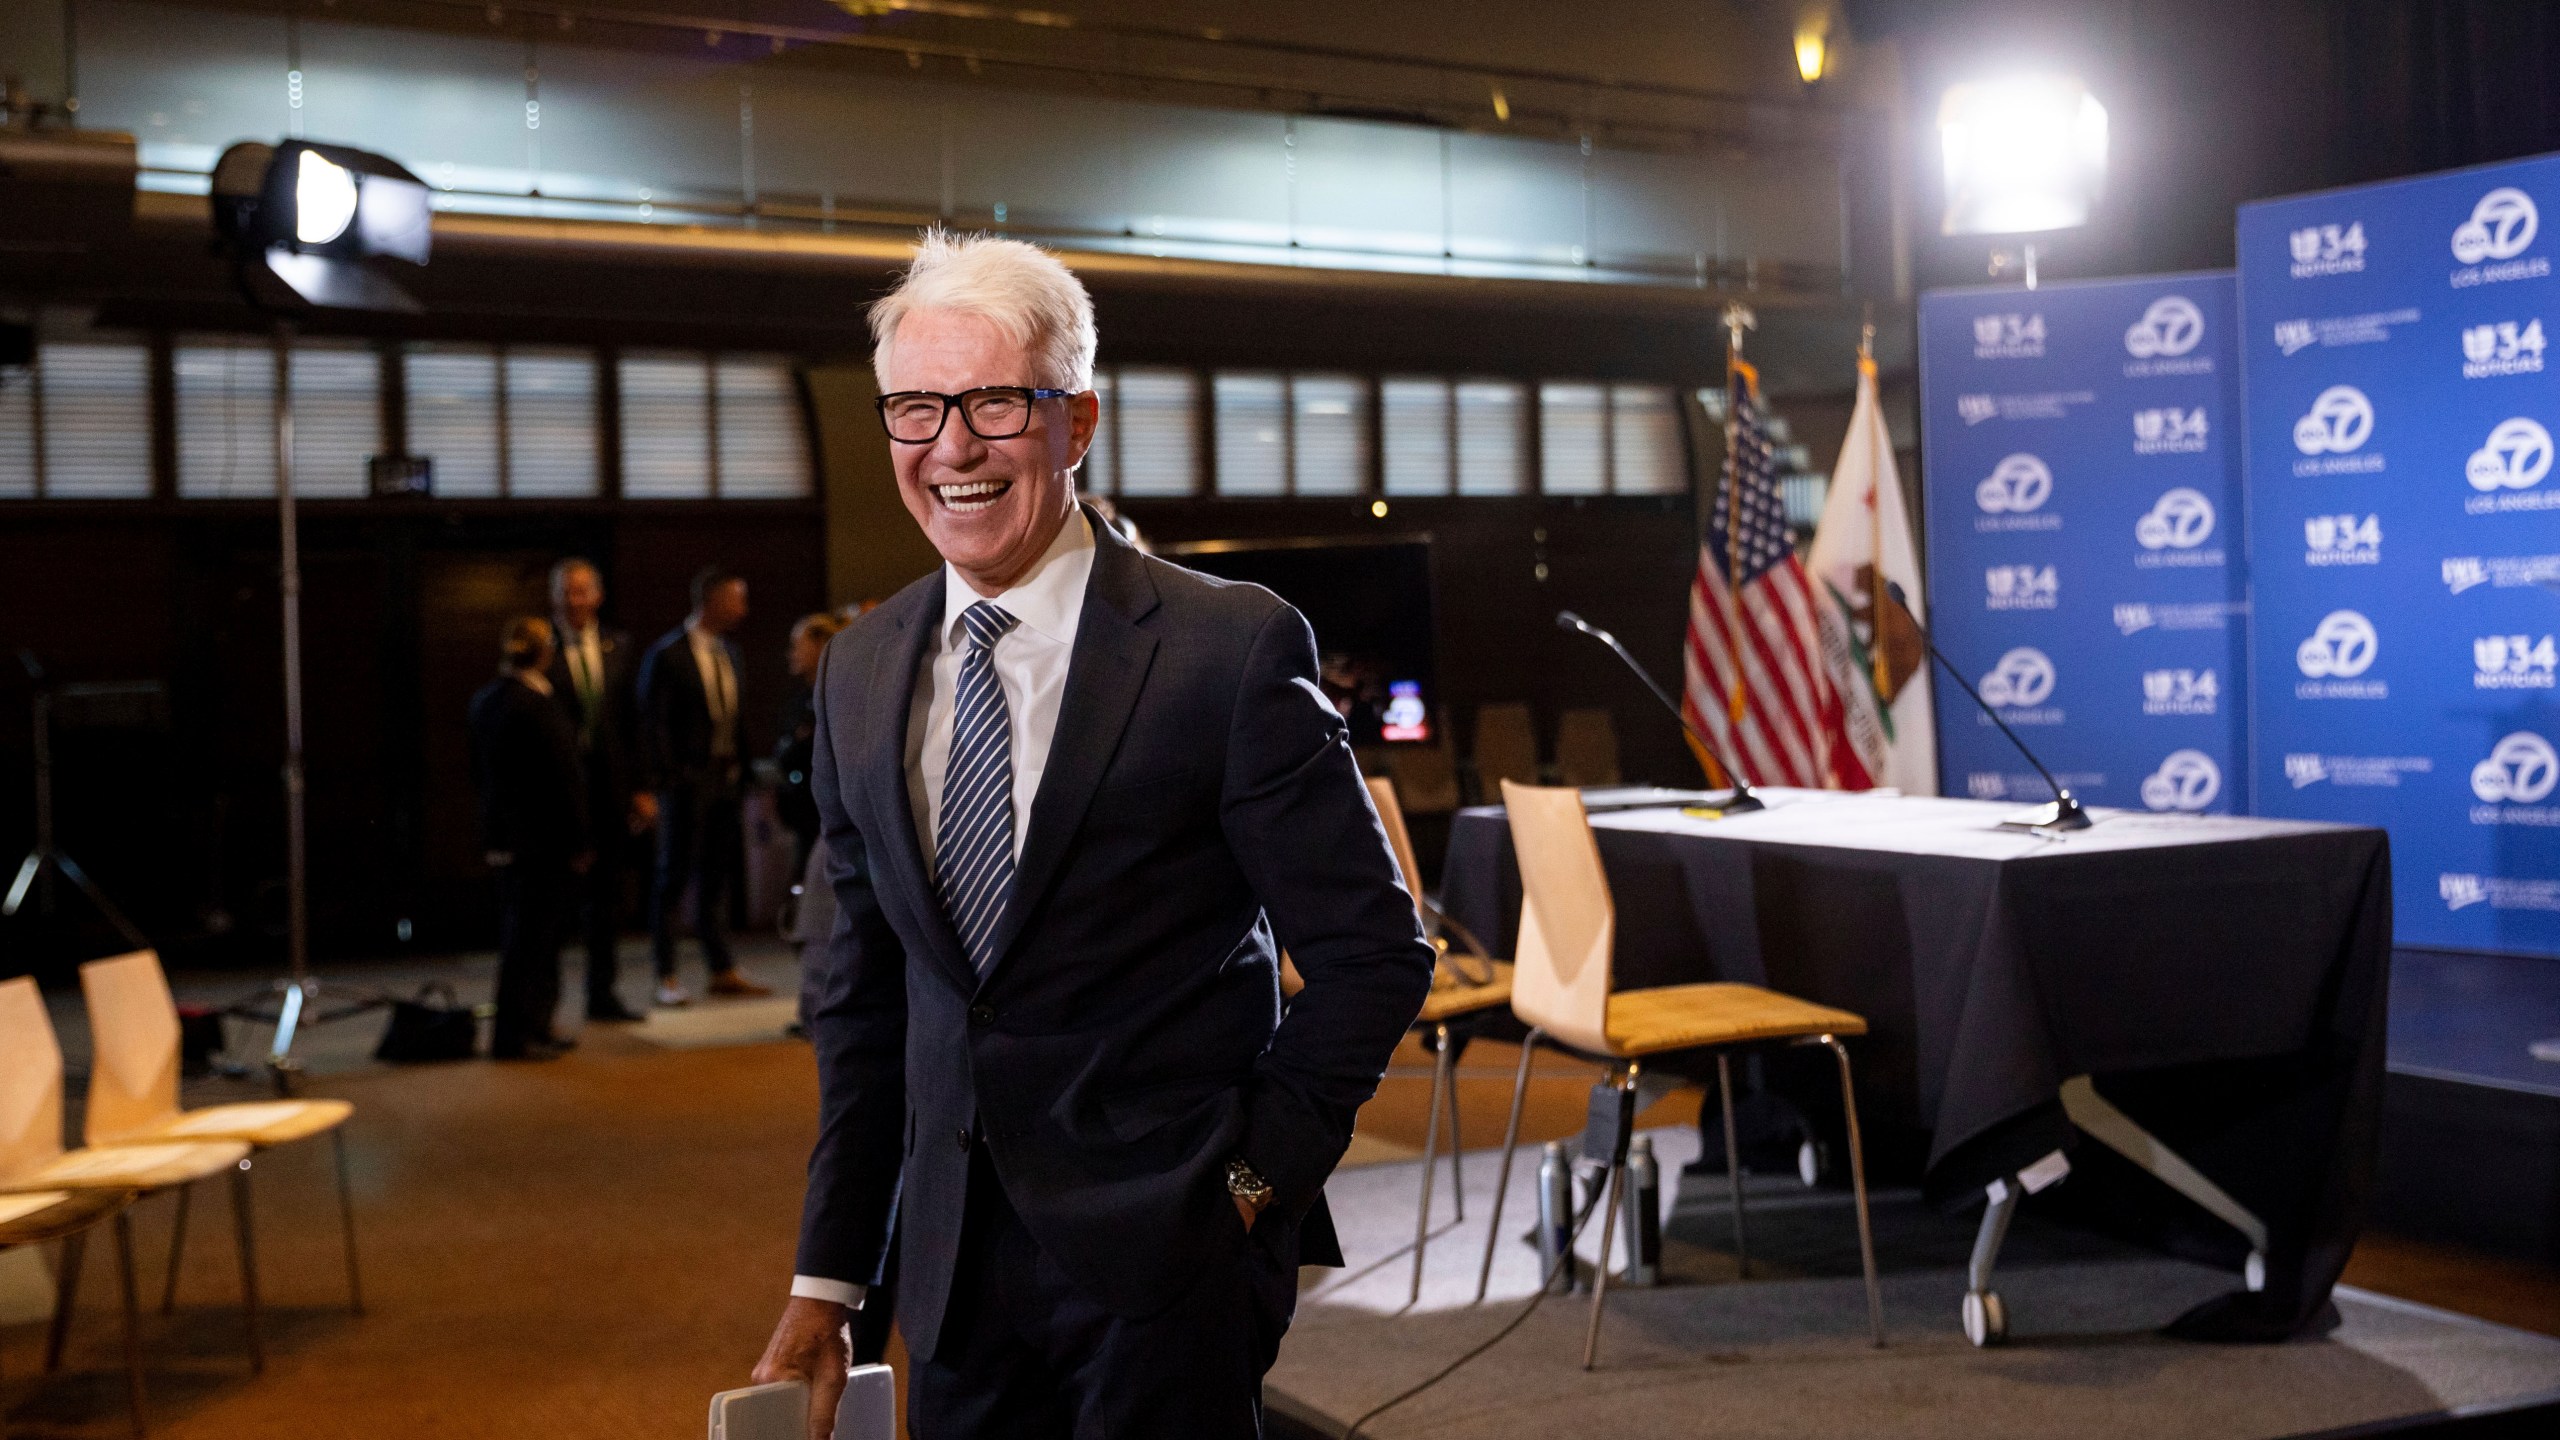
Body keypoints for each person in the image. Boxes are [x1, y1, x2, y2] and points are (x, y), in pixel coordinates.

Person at [751, 232, 1433, 1438]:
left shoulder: (1225, 650)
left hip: (1171, 1269)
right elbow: (864, 1004)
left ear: (1077, 422)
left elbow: (1376, 956)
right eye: (914, 407)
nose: (950, 446)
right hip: (951, 1278)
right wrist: (831, 1278)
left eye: (995, 402)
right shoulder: (859, 671)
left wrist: (1245, 1189)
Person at [637, 566, 773, 1007]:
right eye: (738, 598)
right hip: (685, 784)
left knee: (716, 877)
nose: (744, 609)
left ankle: (720, 968)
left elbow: (736, 720)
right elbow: (653, 724)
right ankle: (667, 973)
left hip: (725, 782)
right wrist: (667, 779)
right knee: (672, 877)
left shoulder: (730, 653)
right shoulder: (668, 655)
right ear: (712, 600)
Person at [467, 617, 592, 1061]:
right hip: (545, 841)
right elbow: (563, 779)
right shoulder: (537, 704)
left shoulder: (486, 700)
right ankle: (518, 1034)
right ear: (545, 652)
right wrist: (580, 838)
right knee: (533, 940)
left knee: (526, 938)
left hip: (509, 838)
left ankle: (530, 1027)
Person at [543, 558, 653, 1023]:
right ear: (554, 597)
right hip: (557, 794)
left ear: (598, 595)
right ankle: (541, 1008)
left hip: (609, 791)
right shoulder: (541, 646)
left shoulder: (619, 646)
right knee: (554, 903)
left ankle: (602, 996)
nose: (575, 601)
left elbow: (634, 722)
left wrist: (642, 789)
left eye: (583, 591)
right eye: (567, 592)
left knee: (607, 902)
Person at [775, 611, 850, 871]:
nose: (791, 654)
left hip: (826, 812)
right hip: (801, 812)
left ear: (819, 645)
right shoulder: (800, 700)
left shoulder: (839, 697)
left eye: (798, 645)